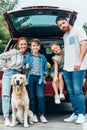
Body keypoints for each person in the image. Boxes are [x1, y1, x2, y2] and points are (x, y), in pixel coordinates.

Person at [56, 16, 87, 124]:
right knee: (71, 92)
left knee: (78, 90)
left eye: (63, 23)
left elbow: (84, 45)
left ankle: (81, 114)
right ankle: (75, 113)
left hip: (79, 67)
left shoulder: (78, 30)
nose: (62, 26)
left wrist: (79, 61)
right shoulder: (65, 36)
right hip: (67, 68)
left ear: (67, 21)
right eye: (60, 25)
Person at [0, 37, 28, 126]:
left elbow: (21, 67)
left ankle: (16, 117)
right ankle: (6, 117)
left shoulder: (25, 56)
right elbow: (1, 57)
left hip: (18, 75)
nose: (23, 46)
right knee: (6, 95)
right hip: (8, 74)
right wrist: (3, 68)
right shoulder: (13, 52)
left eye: (25, 44)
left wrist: (25, 67)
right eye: (21, 44)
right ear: (18, 46)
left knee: (17, 97)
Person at [24, 38, 48, 123]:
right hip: (30, 78)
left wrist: (44, 79)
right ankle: (33, 114)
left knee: (41, 96)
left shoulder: (42, 57)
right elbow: (23, 68)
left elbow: (45, 69)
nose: (35, 47)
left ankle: (42, 115)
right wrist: (25, 68)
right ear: (31, 47)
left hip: (39, 78)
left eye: (37, 45)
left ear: (39, 47)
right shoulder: (28, 57)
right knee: (31, 97)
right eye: (33, 45)